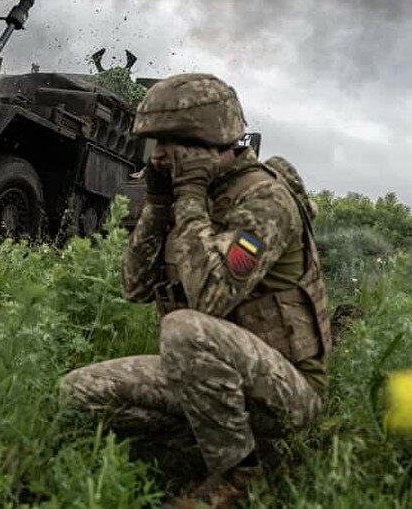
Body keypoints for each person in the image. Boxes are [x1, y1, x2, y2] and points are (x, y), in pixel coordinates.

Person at [60, 73, 331, 507]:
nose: (160, 155)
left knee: (184, 328)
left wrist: (187, 197)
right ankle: (215, 441)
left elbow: (211, 297)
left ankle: (240, 479)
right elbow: (135, 287)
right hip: (212, 378)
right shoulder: (194, 195)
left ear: (212, 141)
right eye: (156, 144)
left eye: (172, 143)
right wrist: (159, 205)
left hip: (284, 392)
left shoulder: (265, 201)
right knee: (77, 394)